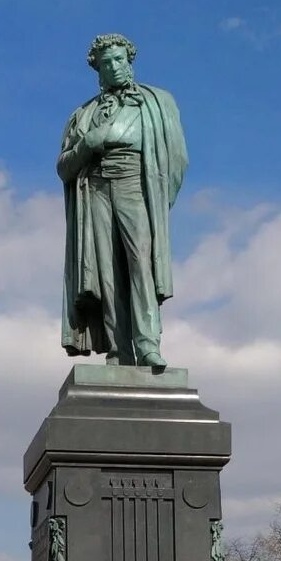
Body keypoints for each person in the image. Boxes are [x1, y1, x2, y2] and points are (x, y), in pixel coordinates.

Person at [57, 33, 188, 368]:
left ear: (130, 62)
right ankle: (119, 350)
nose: (114, 68)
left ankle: (148, 345)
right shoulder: (83, 114)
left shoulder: (157, 102)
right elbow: (64, 167)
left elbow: (177, 158)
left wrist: (158, 200)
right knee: (107, 272)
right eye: (106, 63)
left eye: (119, 60)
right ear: (97, 71)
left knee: (140, 263)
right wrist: (88, 145)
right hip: (96, 188)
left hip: (136, 184)